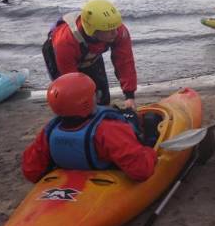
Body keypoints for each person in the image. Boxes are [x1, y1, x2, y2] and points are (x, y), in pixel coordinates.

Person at [21, 73, 158, 183]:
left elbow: (31, 171)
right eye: (94, 93)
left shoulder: (49, 131)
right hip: (104, 177)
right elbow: (141, 170)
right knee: (150, 119)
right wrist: (151, 153)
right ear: (86, 102)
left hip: (74, 174)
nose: (97, 96)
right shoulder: (108, 130)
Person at [42, 0, 137, 109]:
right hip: (58, 53)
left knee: (102, 97)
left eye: (116, 27)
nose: (115, 33)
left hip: (91, 53)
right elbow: (70, 79)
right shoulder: (65, 41)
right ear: (93, 30)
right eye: (109, 29)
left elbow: (124, 62)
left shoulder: (117, 30)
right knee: (72, 100)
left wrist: (129, 95)